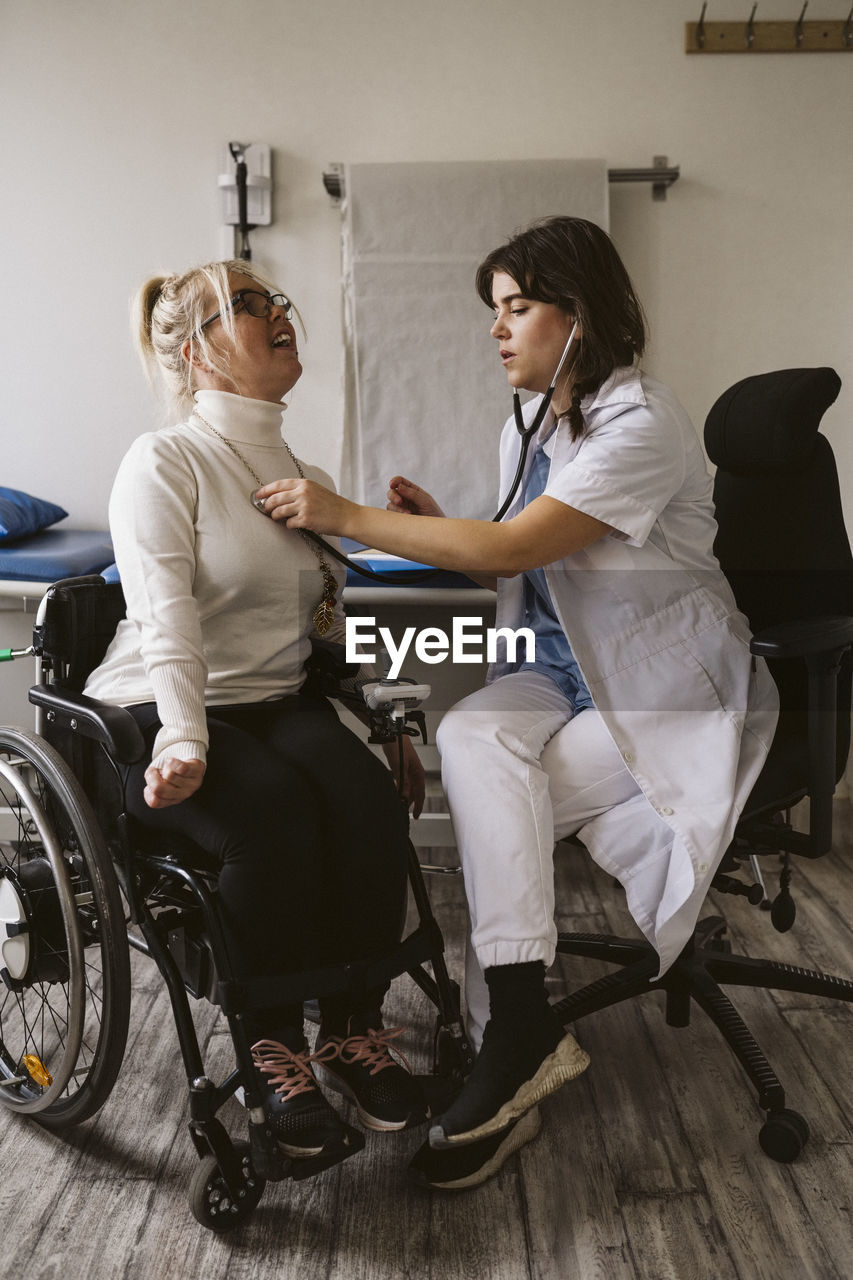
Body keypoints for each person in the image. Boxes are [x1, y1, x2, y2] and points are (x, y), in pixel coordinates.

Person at [250, 217, 779, 1186]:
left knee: (506, 798)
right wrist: (422, 531)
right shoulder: (527, 424)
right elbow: (517, 558)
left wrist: (343, 514)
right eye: (493, 310)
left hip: (664, 690)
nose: (496, 330)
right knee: (471, 737)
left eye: (517, 307)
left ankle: (511, 1033)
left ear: (580, 315)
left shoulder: (641, 422)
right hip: (559, 669)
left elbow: (512, 549)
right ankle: (519, 1025)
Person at [84, 259, 428, 1157]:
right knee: (269, 813)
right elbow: (165, 619)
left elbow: (330, 624)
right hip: (153, 712)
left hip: (273, 702)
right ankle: (271, 1052)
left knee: (363, 799)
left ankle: (352, 1034)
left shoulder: (305, 473)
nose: (278, 311)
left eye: (273, 297)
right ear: (197, 353)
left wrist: (391, 719)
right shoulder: (163, 461)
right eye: (246, 305)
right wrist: (185, 738)